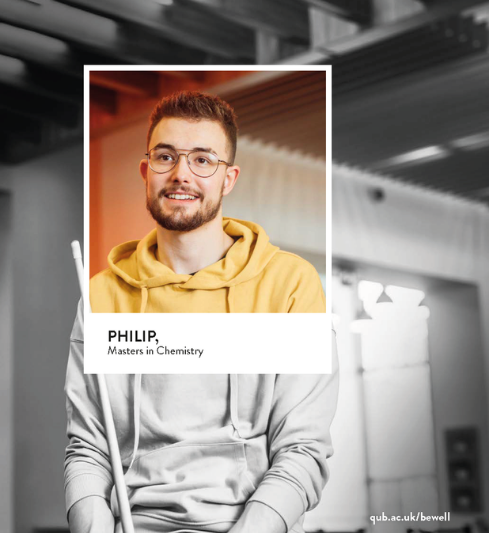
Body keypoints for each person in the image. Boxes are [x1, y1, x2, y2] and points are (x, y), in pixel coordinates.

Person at [64, 91, 337, 533]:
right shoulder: (101, 297)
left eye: (203, 160)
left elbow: (303, 449)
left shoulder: (290, 285)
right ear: (145, 171)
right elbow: (88, 449)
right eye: (165, 156)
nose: (180, 174)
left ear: (228, 178)